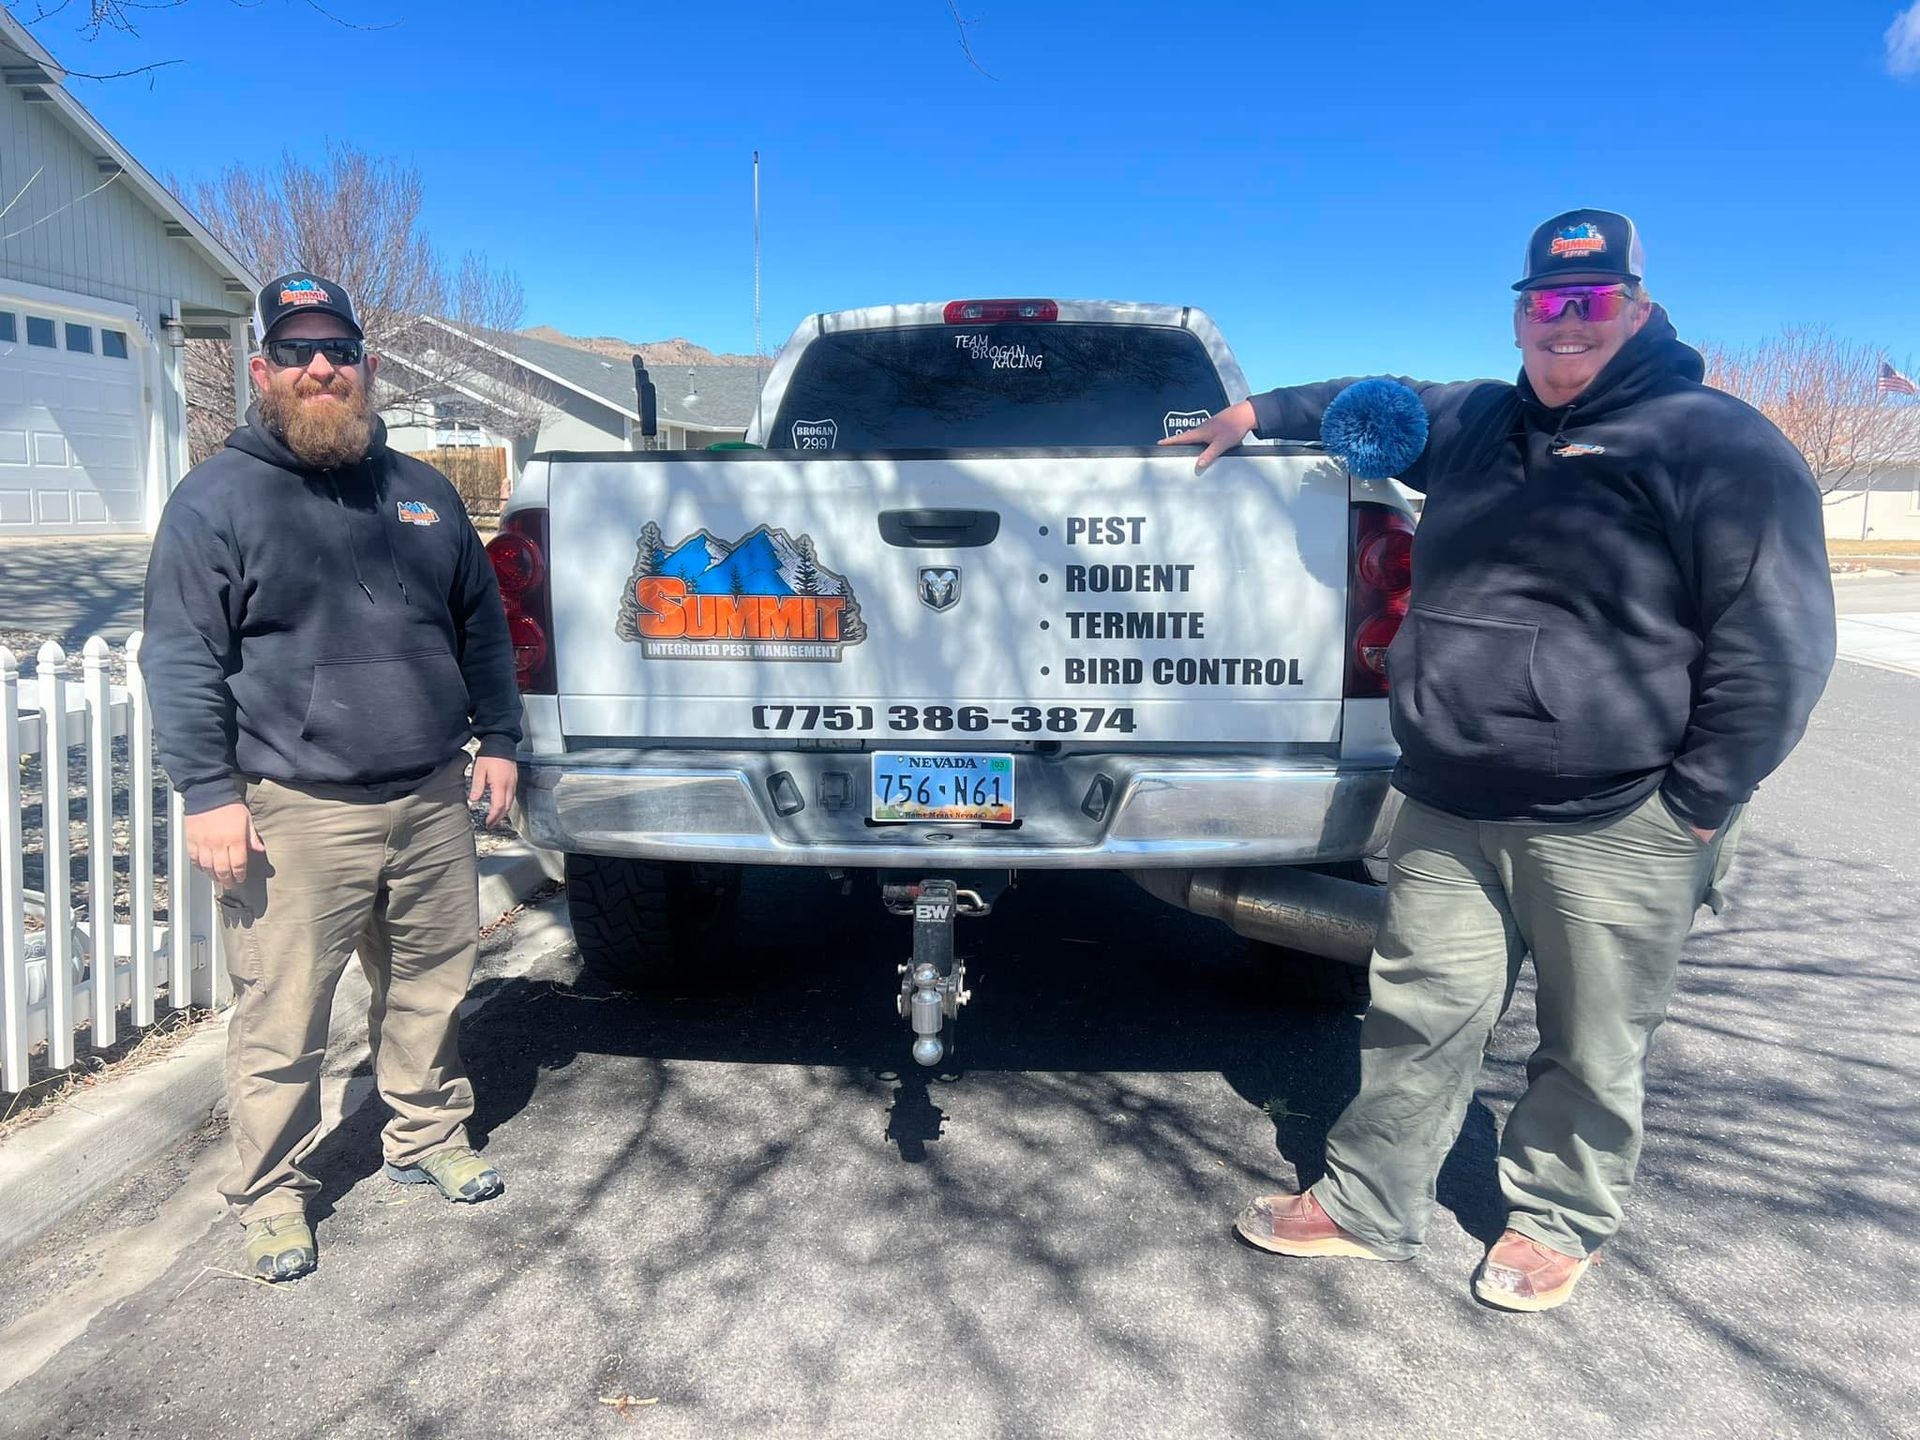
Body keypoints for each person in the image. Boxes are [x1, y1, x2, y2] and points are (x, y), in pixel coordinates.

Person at [1164, 209, 1835, 1311]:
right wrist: (1253, 410)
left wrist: (1703, 801)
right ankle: (1370, 1203)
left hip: (1622, 813)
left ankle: (1558, 1218)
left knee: (1591, 1042)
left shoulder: (1717, 443)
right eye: (1545, 306)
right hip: (1447, 800)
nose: (1566, 328)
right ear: (1520, 316)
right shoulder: (1477, 419)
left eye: (1592, 303)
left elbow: (1778, 640)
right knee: (1419, 1011)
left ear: (1639, 309)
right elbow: (1368, 406)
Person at [142, 272, 523, 1282]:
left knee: (432, 988)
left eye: (340, 351)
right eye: (300, 351)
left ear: (367, 368)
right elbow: (180, 655)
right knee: (282, 1017)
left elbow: (482, 627)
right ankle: (271, 1194)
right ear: (261, 370)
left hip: (431, 797)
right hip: (293, 809)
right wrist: (210, 793)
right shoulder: (217, 499)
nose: (322, 367)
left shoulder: (424, 492)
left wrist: (502, 741)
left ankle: (427, 1136)